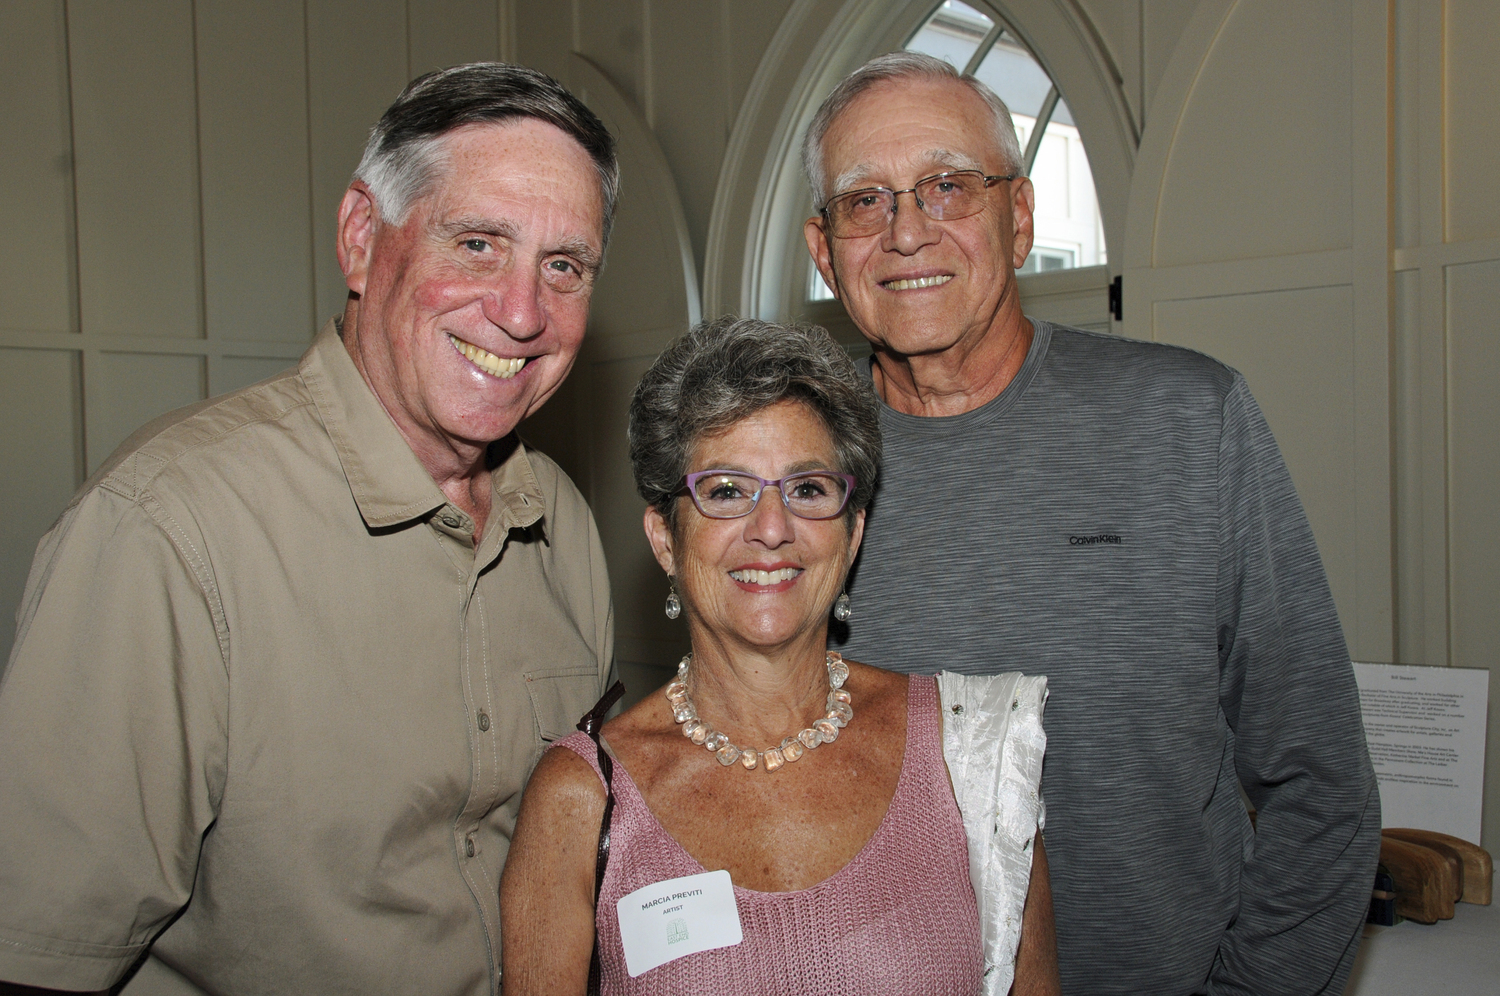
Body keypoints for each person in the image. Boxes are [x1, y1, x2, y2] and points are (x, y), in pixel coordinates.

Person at [0, 64, 617, 996]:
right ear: (363, 239)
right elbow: (40, 955)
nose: (523, 313)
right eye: (479, 243)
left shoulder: (562, 520)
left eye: (562, 266)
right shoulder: (170, 530)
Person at [799, 52, 1380, 996]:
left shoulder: (1189, 420)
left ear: (1018, 219)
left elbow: (1323, 786)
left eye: (947, 186)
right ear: (826, 254)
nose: (906, 231)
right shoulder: (787, 481)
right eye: (866, 200)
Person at [500, 317, 1058, 996]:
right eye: (727, 491)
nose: (771, 529)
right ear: (665, 540)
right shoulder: (581, 801)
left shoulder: (972, 751)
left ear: (852, 536)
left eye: (808, 489)